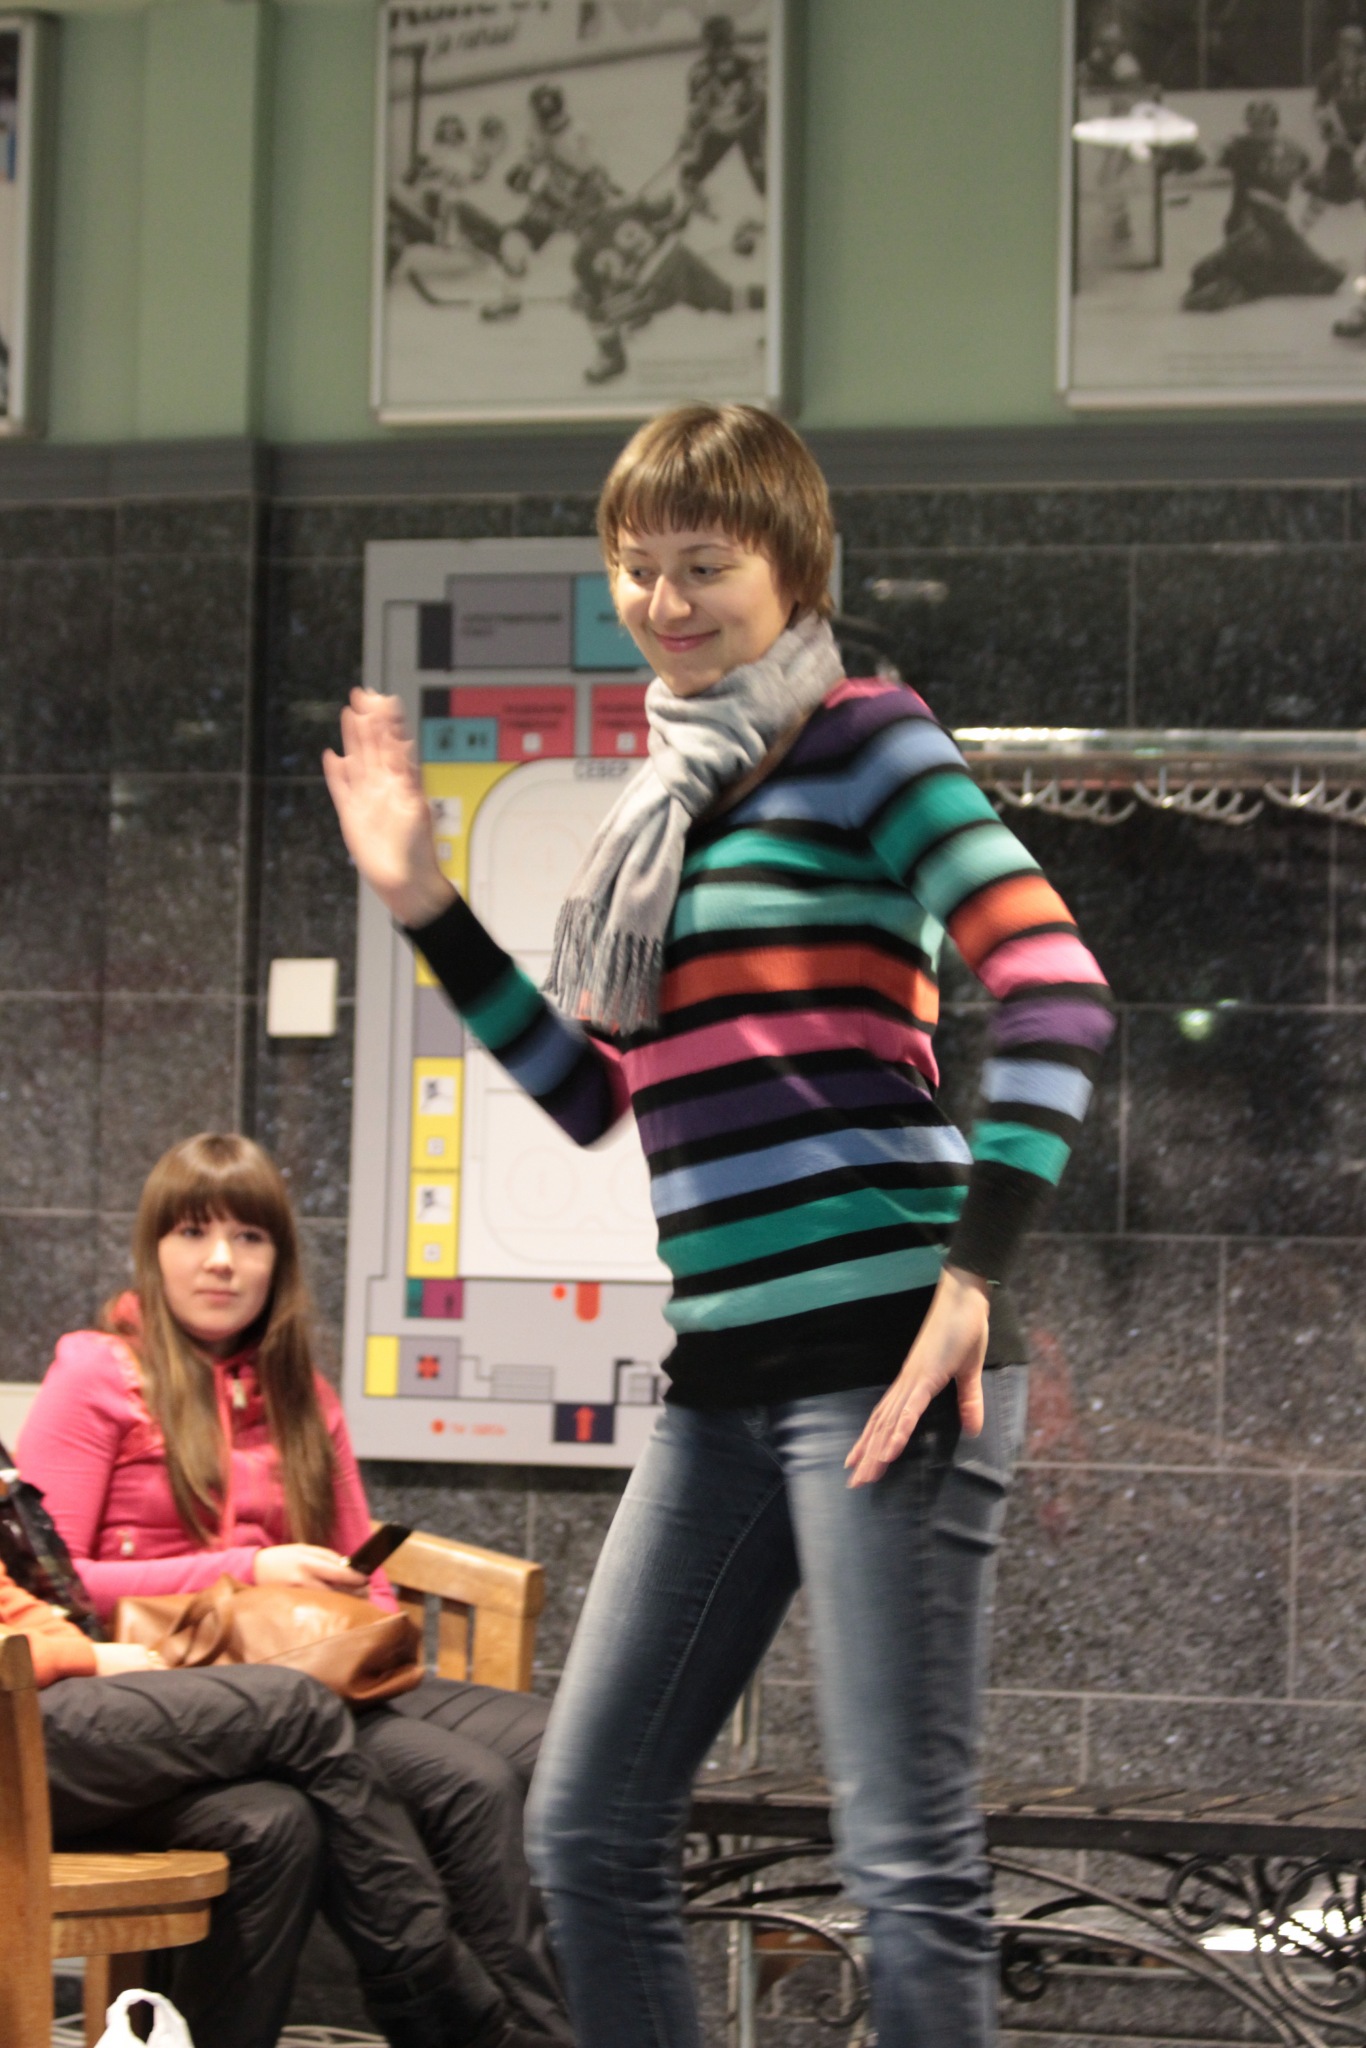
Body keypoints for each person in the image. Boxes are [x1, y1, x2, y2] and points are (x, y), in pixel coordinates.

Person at [322, 404, 1115, 2048]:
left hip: (889, 1357)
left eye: (705, 563)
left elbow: (1055, 985)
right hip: (724, 1376)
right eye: (638, 566)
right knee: (585, 1828)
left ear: (792, 568)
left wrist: (975, 1269)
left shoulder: (866, 740)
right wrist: (417, 895)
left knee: (903, 1860)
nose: (666, 599)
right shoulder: (669, 804)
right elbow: (588, 1089)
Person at [19, 1132, 571, 2048]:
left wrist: (368, 1638)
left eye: (250, 1237)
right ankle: (497, 2029)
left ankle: (561, 2021)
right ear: (153, 1250)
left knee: (563, 1748)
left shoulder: (301, 1391)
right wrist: (246, 1569)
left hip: (313, 1672)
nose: (222, 1261)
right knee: (466, 1783)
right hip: (171, 1682)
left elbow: (366, 1572)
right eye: (194, 1233)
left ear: (280, 1258)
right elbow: (53, 1585)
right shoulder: (97, 1374)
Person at [6, 1555, 534, 2048]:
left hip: (49, 1695)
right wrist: (90, 1656)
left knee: (273, 1823)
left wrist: (71, 1648)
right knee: (297, 1706)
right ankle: (442, 2001)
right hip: (22, 1710)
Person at [1182, 102, 1345, 312]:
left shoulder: (1245, 145)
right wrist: (1305, 224)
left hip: (1264, 226)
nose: (1257, 130)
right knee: (1235, 263)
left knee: (1327, 276)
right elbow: (1319, 188)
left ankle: (1247, 286)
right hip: (1261, 225)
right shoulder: (1281, 147)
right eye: (1255, 124)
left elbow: (1204, 157)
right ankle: (1252, 283)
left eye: (1259, 124)